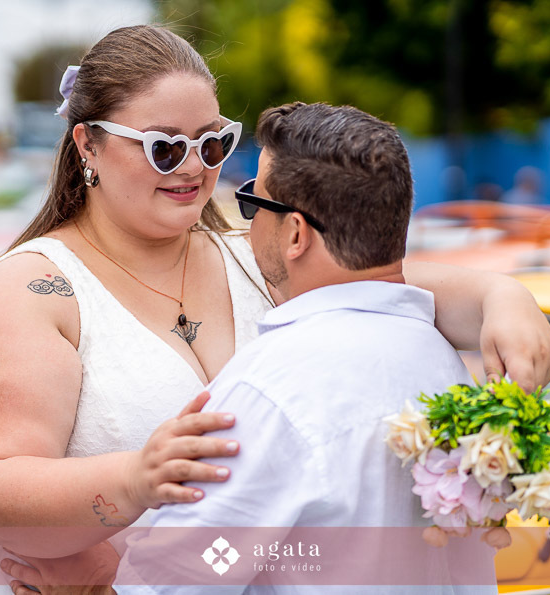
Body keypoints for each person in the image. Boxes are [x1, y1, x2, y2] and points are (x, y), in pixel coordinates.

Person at [0, 25, 550, 595]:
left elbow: (381, 283)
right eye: (165, 147)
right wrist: (135, 479)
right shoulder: (31, 291)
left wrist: (505, 296)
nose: (195, 167)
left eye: (213, 142)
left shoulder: (256, 253)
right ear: (88, 145)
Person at [103, 102, 497, 593]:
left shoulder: (272, 387)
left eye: (253, 203)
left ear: (295, 234)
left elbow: (178, 580)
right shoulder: (443, 362)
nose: (247, 224)